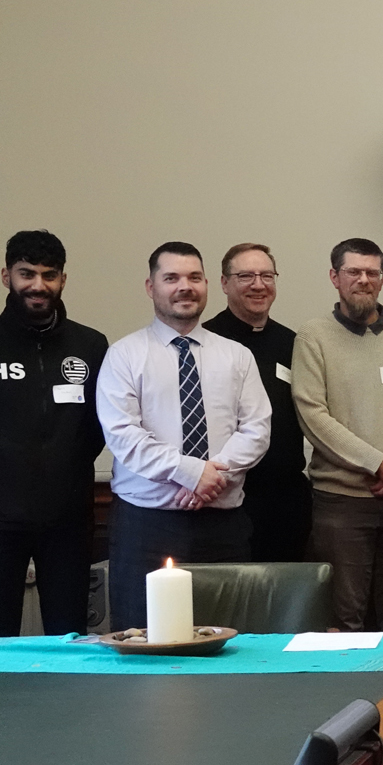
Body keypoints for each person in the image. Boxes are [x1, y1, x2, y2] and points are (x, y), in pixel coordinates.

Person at [98, 242, 271, 628]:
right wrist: (191, 473)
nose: (184, 286)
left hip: (223, 524)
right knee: (141, 639)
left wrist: (212, 478)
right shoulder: (124, 355)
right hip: (147, 526)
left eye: (194, 277)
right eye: (171, 278)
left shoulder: (237, 355)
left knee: (230, 640)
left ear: (208, 284)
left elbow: (257, 429)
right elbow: (124, 436)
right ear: (150, 286)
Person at [291, 238, 383, 631]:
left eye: (373, 272)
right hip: (342, 504)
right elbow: (313, 415)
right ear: (335, 277)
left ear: (382, 279)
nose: (364, 280)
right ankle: (348, 696)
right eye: (354, 272)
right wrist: (379, 464)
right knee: (342, 620)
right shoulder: (313, 336)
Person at [0, 231, 108, 636]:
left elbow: (99, 426)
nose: (38, 285)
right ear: (6, 276)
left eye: (49, 275)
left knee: (69, 637)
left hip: (67, 521)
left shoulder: (90, 345)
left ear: (62, 280)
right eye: (26, 274)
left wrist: (65, 469)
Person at [203, 245, 309, 563]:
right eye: (246, 276)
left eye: (266, 275)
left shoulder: (293, 343)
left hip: (287, 499)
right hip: (228, 499)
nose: (258, 284)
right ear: (224, 283)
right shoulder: (205, 342)